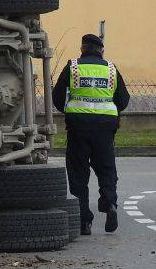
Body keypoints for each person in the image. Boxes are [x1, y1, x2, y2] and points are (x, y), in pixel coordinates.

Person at [52, 34, 130, 234]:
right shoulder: (111, 69)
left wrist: (71, 109)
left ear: (82, 48)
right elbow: (123, 99)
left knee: (78, 173)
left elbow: (57, 97)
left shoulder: (73, 67)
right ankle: (110, 204)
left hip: (78, 127)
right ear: (101, 50)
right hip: (105, 129)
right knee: (106, 170)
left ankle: (83, 221)